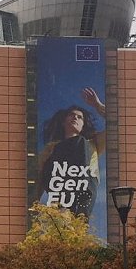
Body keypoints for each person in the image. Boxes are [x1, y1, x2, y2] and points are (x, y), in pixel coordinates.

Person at [36, 87, 107, 218]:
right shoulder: (51, 148)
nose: (75, 117)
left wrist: (98, 106)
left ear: (83, 125)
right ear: (64, 122)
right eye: (72, 115)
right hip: (59, 190)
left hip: (82, 190)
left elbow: (117, 125)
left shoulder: (93, 144)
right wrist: (34, 206)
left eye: (80, 117)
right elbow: (39, 177)